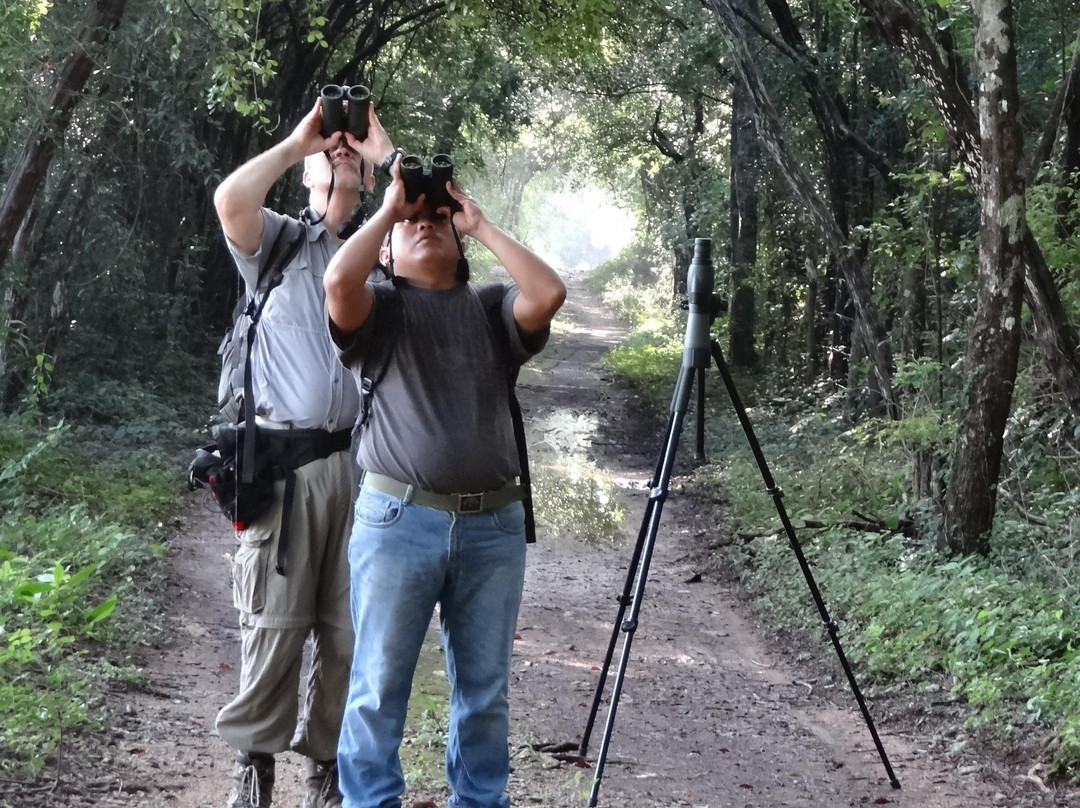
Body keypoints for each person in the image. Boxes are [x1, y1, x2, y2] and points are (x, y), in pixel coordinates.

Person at [322, 155, 566, 808]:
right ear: (387, 252)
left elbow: (548, 294)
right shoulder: (379, 310)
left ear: (459, 242)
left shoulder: (491, 308)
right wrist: (388, 211)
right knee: (379, 684)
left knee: (484, 692)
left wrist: (479, 224)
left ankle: (480, 801)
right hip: (398, 521)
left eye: (438, 219)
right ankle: (370, 802)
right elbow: (338, 282)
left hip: (494, 526)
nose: (425, 224)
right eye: (414, 222)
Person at [212, 97, 398, 808]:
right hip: (285, 472)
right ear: (306, 174)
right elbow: (230, 196)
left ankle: (328, 766)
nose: (341, 147)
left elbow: (438, 216)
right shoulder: (277, 245)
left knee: (351, 632)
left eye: (350, 147)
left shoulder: (386, 251)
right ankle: (254, 764)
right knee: (274, 624)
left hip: (366, 466)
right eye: (333, 146)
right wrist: (299, 142)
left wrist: (382, 152)